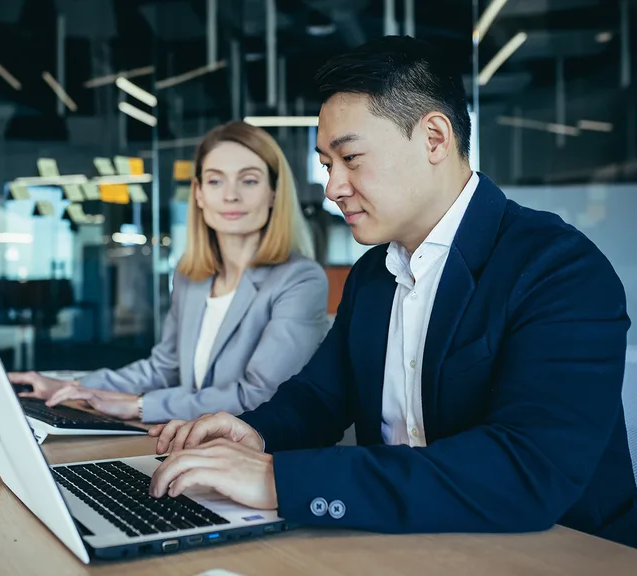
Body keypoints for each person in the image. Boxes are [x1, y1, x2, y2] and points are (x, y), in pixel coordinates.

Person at [146, 36, 637, 548]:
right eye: (326, 164)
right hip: (405, 544)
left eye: (350, 158)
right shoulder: (373, 275)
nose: (332, 186)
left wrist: (277, 480)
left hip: (561, 552)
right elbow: (319, 397)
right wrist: (255, 433)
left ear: (434, 138)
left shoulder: (559, 269)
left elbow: (526, 469)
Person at [8, 121, 329, 423]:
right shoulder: (191, 277)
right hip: (189, 441)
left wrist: (139, 406)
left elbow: (260, 395)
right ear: (199, 193)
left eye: (249, 180)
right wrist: (73, 386)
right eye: (216, 180)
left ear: (274, 192)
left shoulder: (299, 280)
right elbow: (163, 370)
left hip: (260, 456)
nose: (231, 195)